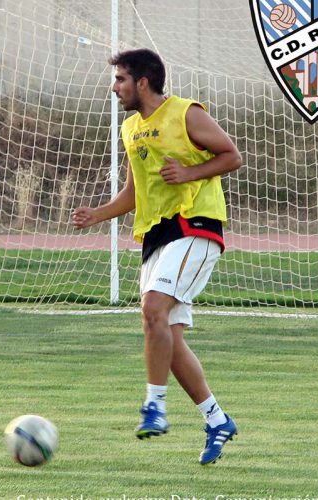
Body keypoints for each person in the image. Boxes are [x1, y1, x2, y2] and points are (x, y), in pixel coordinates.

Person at [72, 48, 242, 465]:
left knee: (152, 310)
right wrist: (99, 214)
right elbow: (134, 193)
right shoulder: (131, 128)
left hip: (195, 225)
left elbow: (231, 155)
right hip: (157, 235)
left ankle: (154, 406)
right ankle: (216, 419)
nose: (114, 88)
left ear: (142, 82)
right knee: (167, 334)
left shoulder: (186, 113)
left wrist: (188, 173)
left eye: (120, 80)